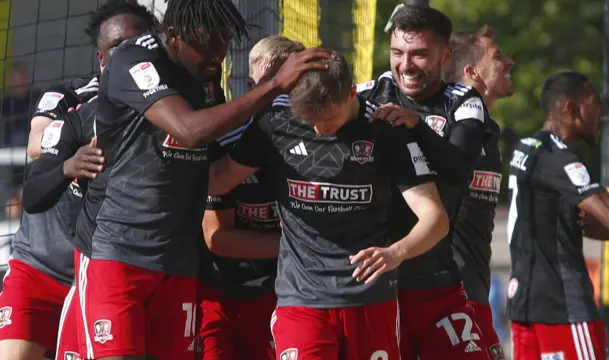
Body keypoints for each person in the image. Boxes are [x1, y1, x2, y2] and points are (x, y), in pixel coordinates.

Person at [72, 0, 332, 358]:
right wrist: (273, 85)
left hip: (178, 259)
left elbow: (213, 172)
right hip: (117, 251)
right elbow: (190, 131)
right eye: (207, 46)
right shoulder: (134, 60)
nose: (218, 57)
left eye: (224, 43)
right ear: (174, 36)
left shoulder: (204, 73)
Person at [207, 52, 449, 360]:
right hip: (302, 299)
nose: (320, 130)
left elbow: (435, 218)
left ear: (351, 93)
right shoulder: (276, 124)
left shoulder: (385, 128)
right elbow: (217, 180)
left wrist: (395, 253)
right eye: (310, 122)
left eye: (329, 121)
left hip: (370, 297)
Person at [13, 2, 158, 360]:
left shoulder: (164, 104)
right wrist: (74, 149)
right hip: (40, 265)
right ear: (101, 58)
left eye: (139, 42)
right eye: (117, 46)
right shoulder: (69, 95)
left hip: (103, 265)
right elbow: (36, 142)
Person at [359, 5, 491, 359]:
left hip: (437, 280)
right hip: (376, 284)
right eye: (397, 53)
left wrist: (414, 124)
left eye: (419, 54)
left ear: (445, 56)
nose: (406, 65)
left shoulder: (464, 101)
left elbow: (460, 168)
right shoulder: (366, 96)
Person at [507, 71, 609, 360]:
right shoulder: (559, 158)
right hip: (562, 308)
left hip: (526, 305)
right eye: (594, 103)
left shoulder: (526, 148)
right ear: (570, 108)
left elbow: (591, 225)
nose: (601, 112)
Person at [198, 35, 303, 360]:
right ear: (248, 83)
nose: (272, 98)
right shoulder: (225, 141)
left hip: (287, 289)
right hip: (219, 291)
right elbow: (218, 238)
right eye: (264, 86)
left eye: (283, 89)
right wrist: (305, 244)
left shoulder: (320, 141)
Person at [442, 25, 515, 359]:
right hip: (446, 297)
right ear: (471, 73)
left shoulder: (489, 133)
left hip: (476, 293)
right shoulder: (445, 128)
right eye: (498, 57)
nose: (509, 62)